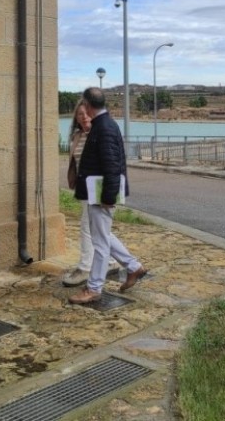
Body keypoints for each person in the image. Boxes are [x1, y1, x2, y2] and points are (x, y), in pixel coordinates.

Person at [68, 87, 147, 304]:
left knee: (100, 243)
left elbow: (112, 166)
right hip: (98, 193)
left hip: (102, 195)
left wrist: (108, 197)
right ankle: (133, 267)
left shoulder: (103, 128)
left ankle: (94, 288)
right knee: (102, 236)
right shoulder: (104, 126)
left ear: (89, 104)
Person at [62, 100, 120, 286]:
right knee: (100, 229)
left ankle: (86, 268)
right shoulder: (78, 136)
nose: (84, 117)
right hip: (85, 187)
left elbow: (111, 162)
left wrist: (109, 192)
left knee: (88, 228)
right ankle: (114, 263)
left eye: (87, 113)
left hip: (100, 187)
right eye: (80, 114)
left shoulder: (101, 134)